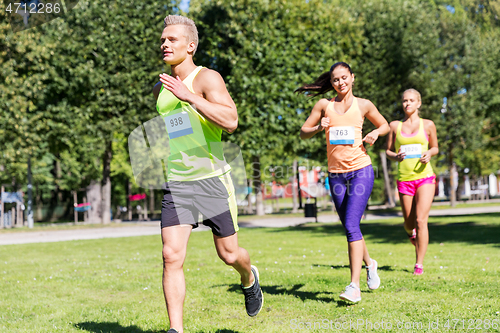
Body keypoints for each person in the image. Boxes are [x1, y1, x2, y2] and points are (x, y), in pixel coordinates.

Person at [153, 15, 263, 333]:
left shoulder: (206, 78)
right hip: (178, 181)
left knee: (229, 254)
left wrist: (190, 97)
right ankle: (176, 329)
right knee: (170, 255)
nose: (164, 44)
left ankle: (248, 277)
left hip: (211, 180)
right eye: (162, 39)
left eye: (171, 39)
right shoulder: (164, 89)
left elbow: (230, 121)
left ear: (190, 46)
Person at [297, 62, 389, 303]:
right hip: (335, 175)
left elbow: (384, 125)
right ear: (332, 82)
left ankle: (354, 286)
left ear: (352, 78)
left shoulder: (364, 105)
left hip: (360, 171)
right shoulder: (324, 106)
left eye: (344, 77)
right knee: (351, 227)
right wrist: (318, 127)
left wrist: (375, 134)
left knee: (350, 224)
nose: (340, 82)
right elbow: (303, 131)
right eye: (336, 79)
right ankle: (370, 264)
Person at [385, 89, 438, 276]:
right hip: (405, 179)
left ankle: (419, 264)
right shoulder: (394, 126)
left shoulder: (428, 125)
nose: (407, 103)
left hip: (425, 178)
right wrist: (396, 156)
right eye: (404, 101)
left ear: (419, 103)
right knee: (409, 223)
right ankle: (411, 234)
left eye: (411, 100)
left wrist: (429, 154)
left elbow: (435, 147)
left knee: (421, 220)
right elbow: (388, 151)